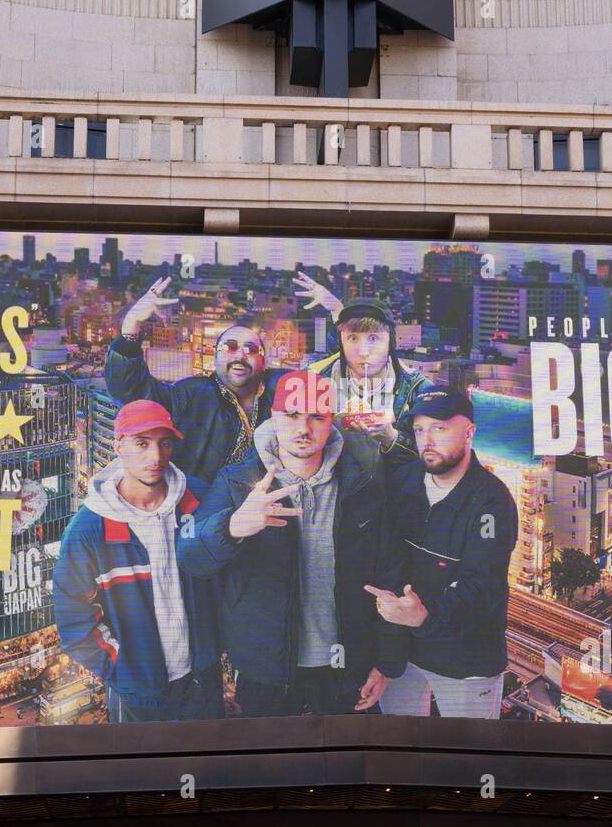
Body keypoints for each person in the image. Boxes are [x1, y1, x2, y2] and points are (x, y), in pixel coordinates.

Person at [177, 370, 405, 718]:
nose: (304, 429)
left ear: (331, 422)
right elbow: (190, 557)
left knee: (348, 765)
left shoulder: (362, 484)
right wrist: (233, 527)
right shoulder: (237, 481)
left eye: (317, 416)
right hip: (266, 669)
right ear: (274, 416)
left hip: (348, 664)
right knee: (272, 766)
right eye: (293, 415)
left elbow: (390, 575)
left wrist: (387, 662)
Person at [52, 399, 222, 722]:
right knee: (145, 771)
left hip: (202, 681)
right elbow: (73, 621)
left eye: (164, 443)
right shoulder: (89, 530)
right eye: (141, 444)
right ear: (118, 445)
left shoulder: (197, 500)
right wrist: (121, 669)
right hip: (141, 695)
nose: (155, 457)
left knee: (209, 766)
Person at [366, 388, 518, 719]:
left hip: (467, 659)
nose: (427, 440)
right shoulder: (402, 480)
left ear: (469, 432)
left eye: (440, 427)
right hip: (404, 652)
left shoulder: (492, 501)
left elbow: (484, 586)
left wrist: (426, 614)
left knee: (468, 756)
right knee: (401, 749)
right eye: (420, 429)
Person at [105, 275, 343, 483]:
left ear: (264, 361)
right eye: (230, 347)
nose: (240, 355)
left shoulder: (283, 386)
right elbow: (131, 391)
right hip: (204, 506)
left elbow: (333, 373)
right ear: (214, 358)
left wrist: (338, 312)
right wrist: (131, 326)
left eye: (251, 350)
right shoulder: (192, 394)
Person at [303, 292, 433, 470]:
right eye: (353, 338)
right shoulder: (313, 381)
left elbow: (436, 460)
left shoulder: (419, 390)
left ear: (390, 342)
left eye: (373, 338)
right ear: (342, 343)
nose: (363, 351)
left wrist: (391, 438)